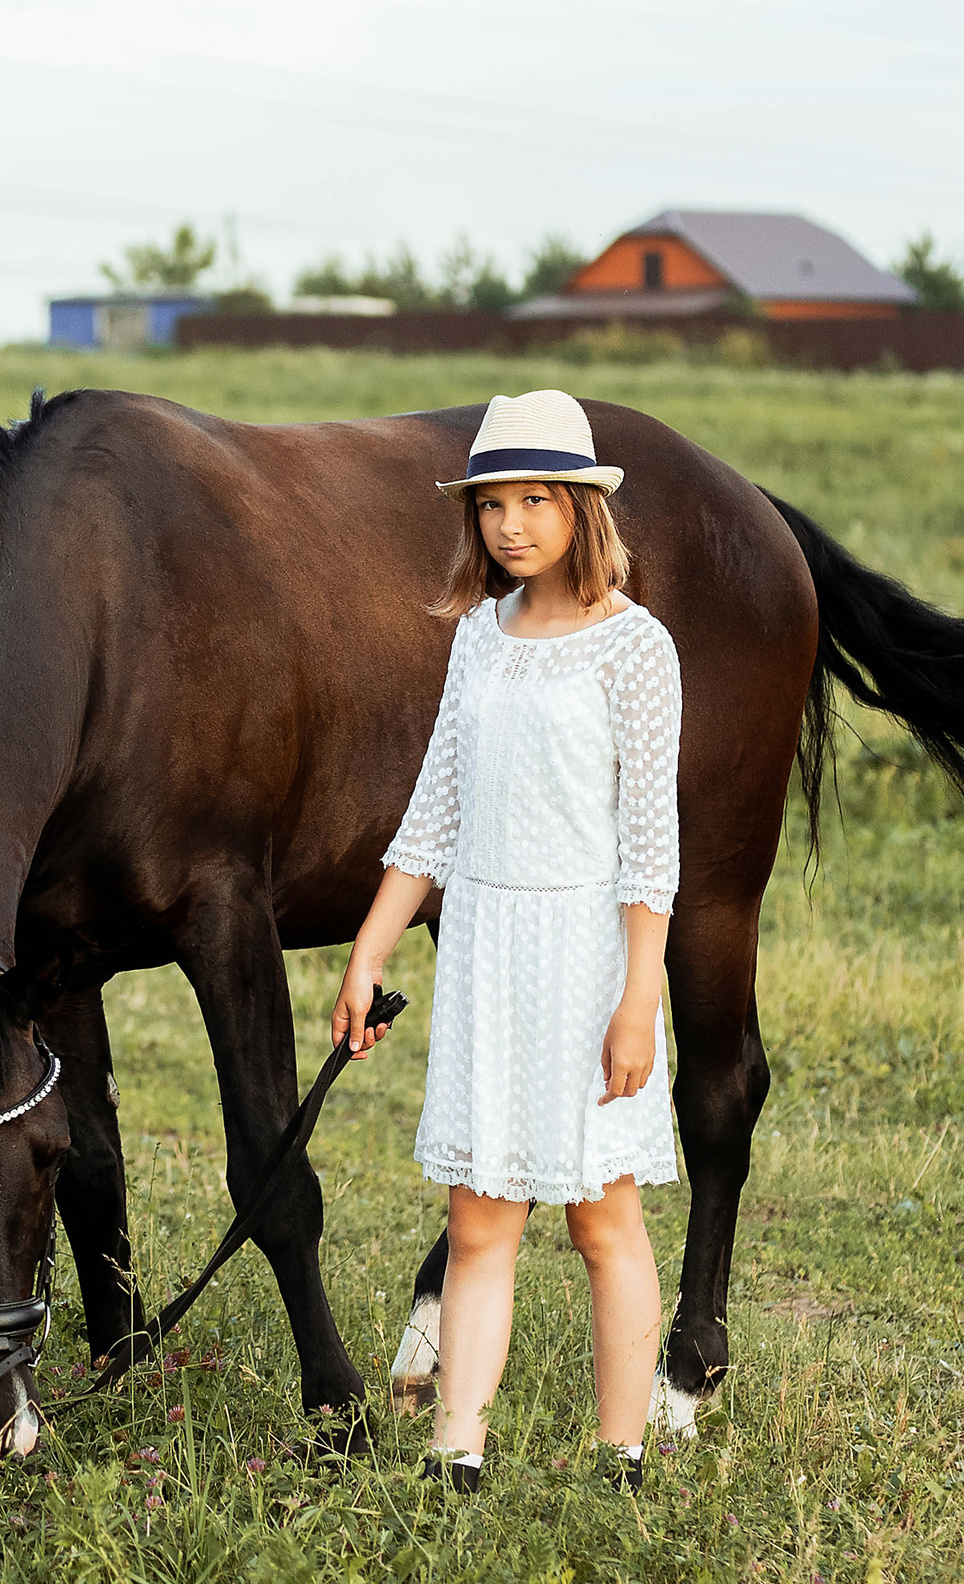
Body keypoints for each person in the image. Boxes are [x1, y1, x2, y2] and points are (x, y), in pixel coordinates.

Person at [331, 389, 682, 1494]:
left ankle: (619, 1452)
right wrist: (369, 950)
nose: (512, 524)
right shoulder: (478, 639)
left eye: (536, 500)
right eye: (493, 503)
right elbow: (433, 810)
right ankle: (457, 1457)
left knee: (599, 1216)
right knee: (480, 1221)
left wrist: (640, 997)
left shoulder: (636, 648)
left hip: (588, 953)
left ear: (581, 508)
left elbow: (651, 844)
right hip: (485, 950)